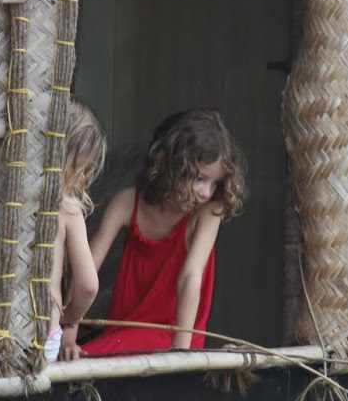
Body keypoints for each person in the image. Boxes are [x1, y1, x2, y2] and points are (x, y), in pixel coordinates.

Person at [79, 108, 246, 357]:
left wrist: (180, 355)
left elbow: (190, 275)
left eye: (215, 183)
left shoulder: (209, 211)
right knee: (75, 358)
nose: (206, 192)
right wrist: (69, 332)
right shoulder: (127, 203)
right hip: (123, 331)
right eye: (200, 178)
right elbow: (87, 270)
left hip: (176, 334)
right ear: (172, 166)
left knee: (87, 359)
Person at [43, 99, 107, 363]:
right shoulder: (67, 208)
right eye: (81, 168)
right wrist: (71, 317)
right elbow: (89, 285)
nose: (82, 178)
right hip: (44, 335)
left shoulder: (14, 200)